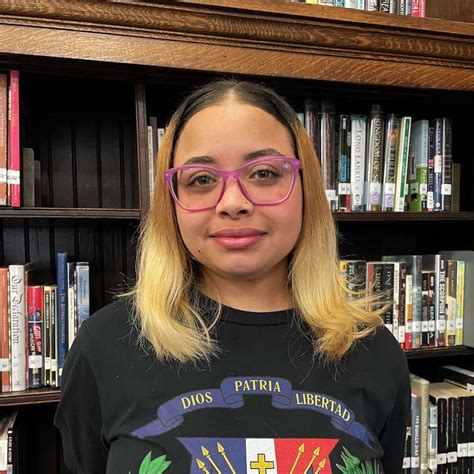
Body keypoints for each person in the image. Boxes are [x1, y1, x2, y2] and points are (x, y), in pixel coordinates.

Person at [54, 79, 410, 474]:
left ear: (305, 188)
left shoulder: (373, 350)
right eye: (201, 179)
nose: (234, 202)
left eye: (264, 173)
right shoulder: (104, 345)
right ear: (172, 201)